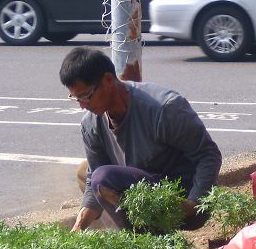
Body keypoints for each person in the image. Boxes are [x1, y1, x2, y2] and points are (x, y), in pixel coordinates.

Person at [60, 47, 222, 231]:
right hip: (140, 189)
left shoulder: (164, 109)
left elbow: (208, 155)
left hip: (182, 199)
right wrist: (79, 227)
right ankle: (137, 233)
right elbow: (93, 181)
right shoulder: (90, 124)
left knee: (103, 178)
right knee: (86, 172)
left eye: (86, 96)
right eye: (76, 98)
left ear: (108, 80)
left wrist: (192, 204)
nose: (82, 105)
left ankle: (142, 239)